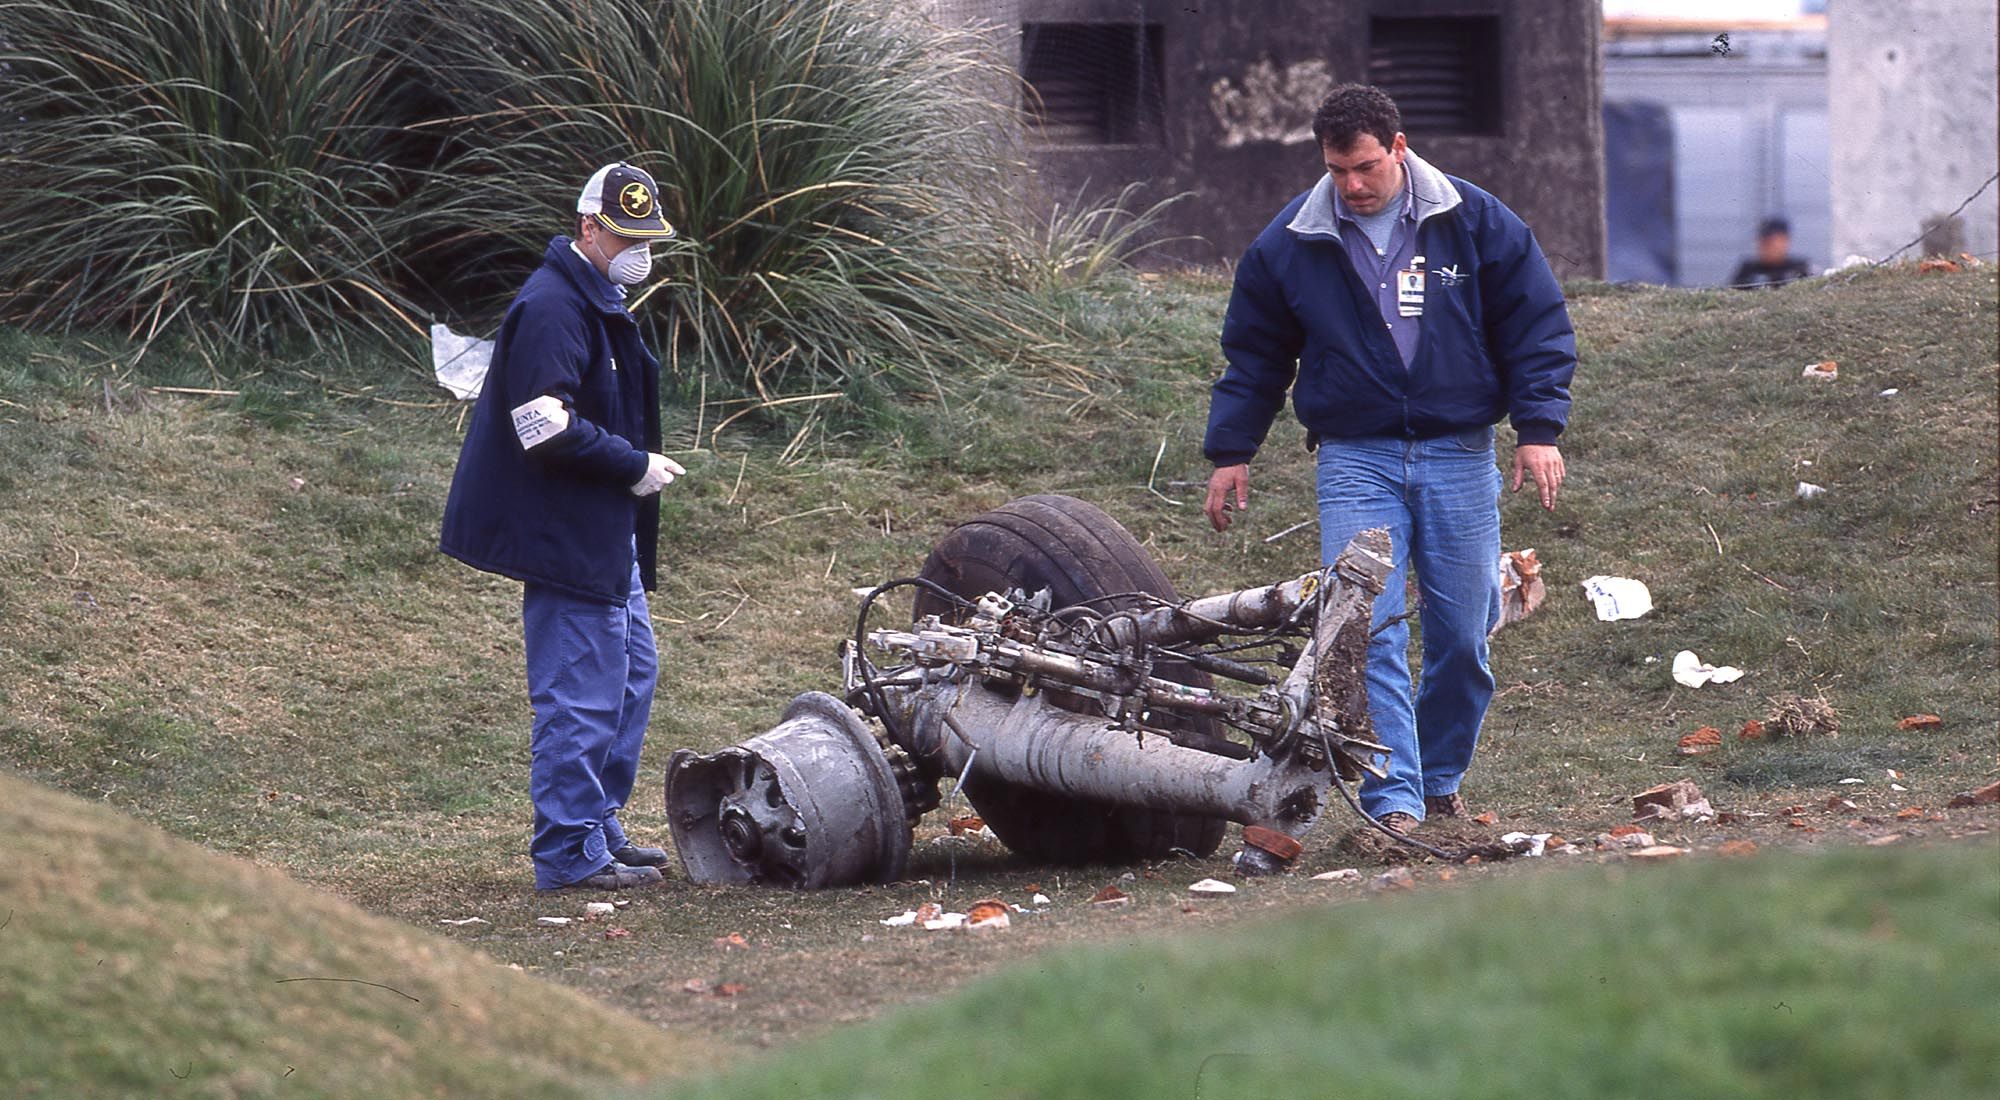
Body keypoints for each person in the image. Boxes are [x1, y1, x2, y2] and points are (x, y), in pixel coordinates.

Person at [1201, 85, 1575, 837]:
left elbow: (1534, 321)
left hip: (1460, 452)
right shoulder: (1290, 242)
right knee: (1364, 631)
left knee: (1464, 636)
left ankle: (1439, 780)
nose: (1353, 186)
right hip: (1354, 457)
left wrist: (1538, 428)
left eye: (1366, 167)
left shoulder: (1473, 220)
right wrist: (1231, 450)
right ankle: (1393, 801)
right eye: (1337, 170)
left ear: (1399, 148)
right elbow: (1254, 354)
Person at [440, 162, 685, 890]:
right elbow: (540, 423)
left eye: (648, 237)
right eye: (625, 236)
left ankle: (596, 825)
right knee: (581, 694)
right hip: (568, 537)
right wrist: (632, 463)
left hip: (602, 532)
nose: (641, 253)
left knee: (632, 676)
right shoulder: (555, 305)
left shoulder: (596, 295)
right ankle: (567, 852)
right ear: (588, 228)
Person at [1729, 217, 1811, 287]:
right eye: (1763, 242)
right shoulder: (1748, 270)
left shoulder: (1800, 269)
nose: (1767, 247)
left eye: (1772, 242)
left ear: (1785, 241)